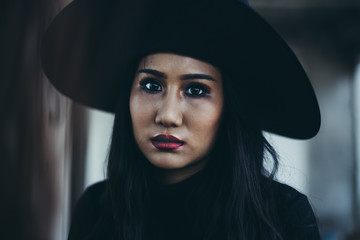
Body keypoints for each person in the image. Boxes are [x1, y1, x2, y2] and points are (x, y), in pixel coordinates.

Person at [41, 0, 322, 239]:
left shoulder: (284, 219)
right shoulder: (96, 213)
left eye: (196, 90)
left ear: (229, 107)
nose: (167, 116)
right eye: (151, 86)